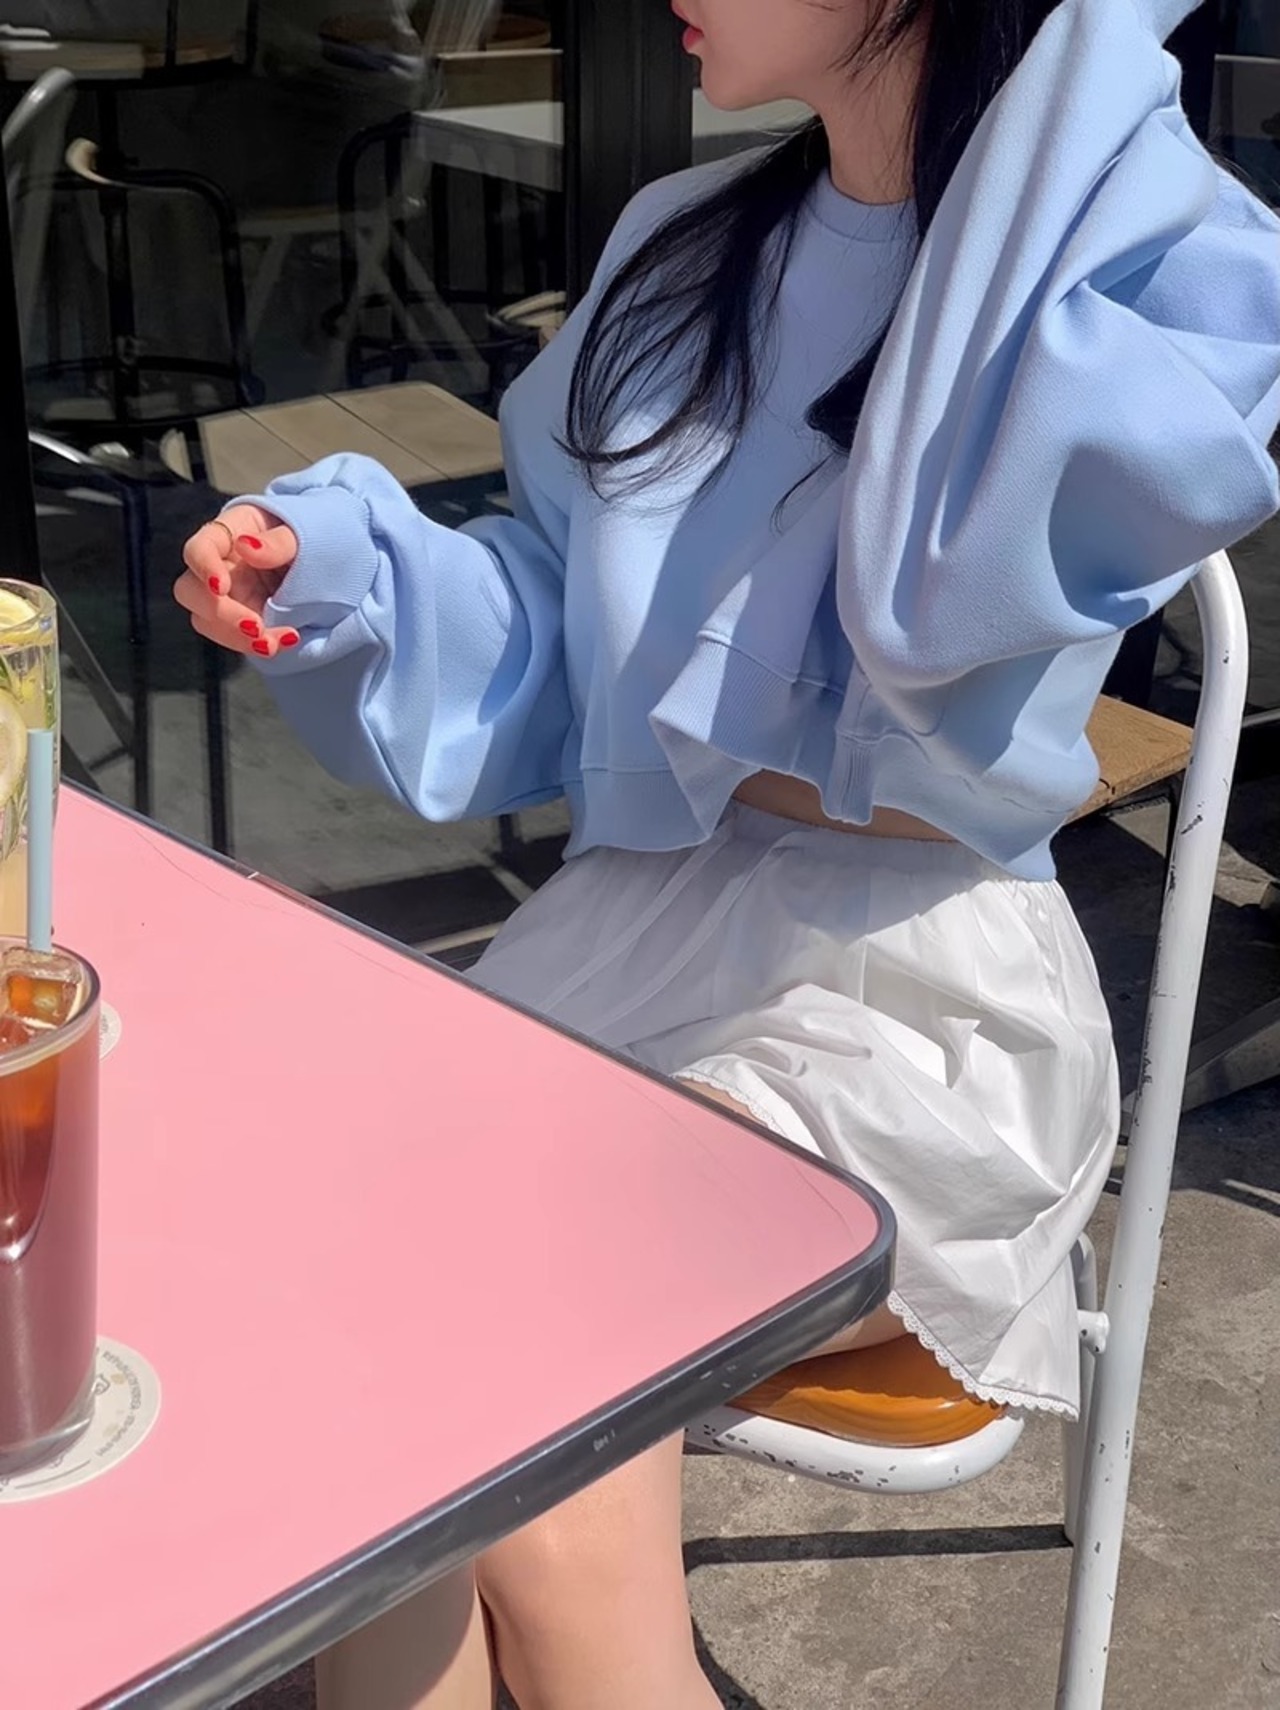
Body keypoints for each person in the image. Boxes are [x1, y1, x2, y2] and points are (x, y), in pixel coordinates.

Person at [175, 0, 1280, 1702]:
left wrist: (1032, 78)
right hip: (628, 950)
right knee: (370, 1378)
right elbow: (569, 628)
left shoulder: (1142, 262)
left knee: (523, 1400)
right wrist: (347, 578)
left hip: (915, 1012)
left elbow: (941, 602)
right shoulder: (686, 245)